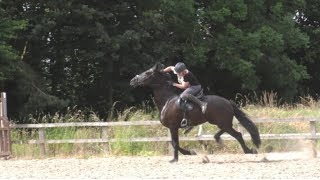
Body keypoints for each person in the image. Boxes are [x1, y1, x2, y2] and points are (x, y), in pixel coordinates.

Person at [163, 62, 207, 127]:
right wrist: (162, 72)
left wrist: (173, 84)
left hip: (195, 87)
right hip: (189, 87)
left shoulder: (187, 75)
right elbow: (170, 68)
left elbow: (184, 86)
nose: (178, 74)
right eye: (177, 72)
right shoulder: (177, 70)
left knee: (183, 96)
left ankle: (202, 104)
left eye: (179, 73)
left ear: (183, 71)